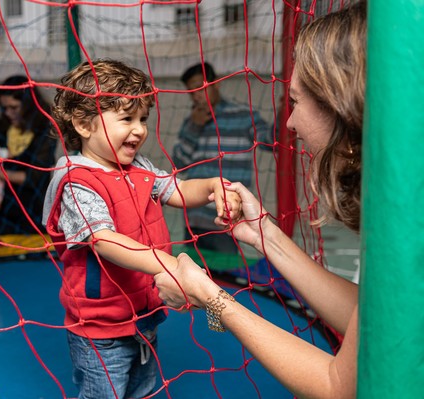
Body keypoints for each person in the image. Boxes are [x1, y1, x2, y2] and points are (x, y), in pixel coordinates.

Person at [155, 3, 366, 397]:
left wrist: (210, 296)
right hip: (204, 218)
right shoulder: (190, 124)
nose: (291, 122)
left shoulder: (404, 223)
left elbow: (339, 386)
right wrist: (264, 234)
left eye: (296, 102)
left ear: (342, 107)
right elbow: (370, 314)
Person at [44, 59, 240, 399]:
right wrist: (172, 266)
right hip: (101, 327)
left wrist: (213, 186)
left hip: (144, 313)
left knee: (143, 389)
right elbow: (103, 241)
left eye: (143, 119)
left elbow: (179, 190)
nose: (139, 130)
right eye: (127, 119)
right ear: (84, 124)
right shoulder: (78, 181)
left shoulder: (140, 168)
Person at [170, 62, 274, 253]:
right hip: (195, 216)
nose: (196, 95)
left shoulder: (243, 115)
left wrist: (285, 112)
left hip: (227, 215)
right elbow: (178, 163)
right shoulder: (191, 121)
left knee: (226, 270)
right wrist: (194, 127)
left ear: (216, 83)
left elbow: (270, 142)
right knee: (196, 268)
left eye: (200, 88)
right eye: (191, 92)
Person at [0, 75, 59, 240]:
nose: (8, 113)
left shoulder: (45, 130)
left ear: (29, 105)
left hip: (30, 211)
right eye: (4, 108)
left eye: (14, 107)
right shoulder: (0, 126)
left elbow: (32, 178)